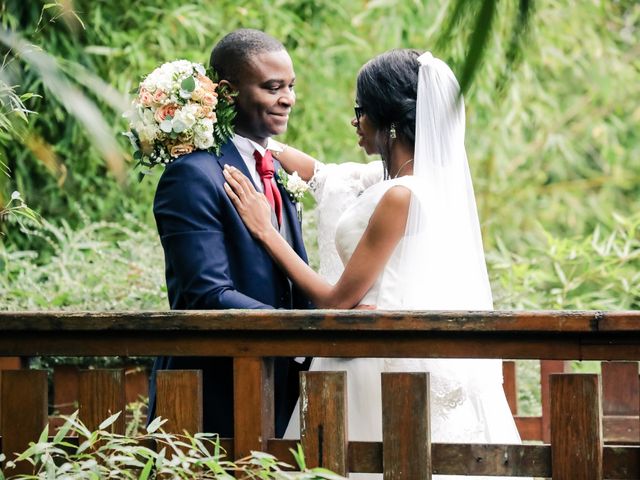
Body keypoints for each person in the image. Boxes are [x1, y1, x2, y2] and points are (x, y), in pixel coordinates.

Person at [223, 49, 523, 479]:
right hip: (378, 356)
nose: (354, 123)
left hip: (373, 362)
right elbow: (323, 175)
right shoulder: (408, 185)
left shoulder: (401, 196)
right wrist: (251, 143)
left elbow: (336, 299)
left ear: (389, 119)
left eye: (360, 111)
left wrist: (266, 230)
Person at [147, 29, 312, 438]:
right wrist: (302, 338)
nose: (287, 98)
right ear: (227, 91)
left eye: (290, 86)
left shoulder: (275, 169)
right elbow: (207, 293)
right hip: (211, 395)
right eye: (272, 87)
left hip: (279, 390)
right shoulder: (193, 175)